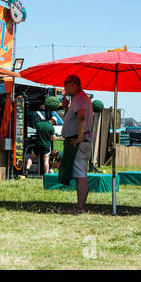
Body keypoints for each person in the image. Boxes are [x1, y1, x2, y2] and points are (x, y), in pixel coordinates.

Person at [58, 75, 94, 214]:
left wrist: (79, 138)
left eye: (66, 84)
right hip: (81, 140)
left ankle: (80, 207)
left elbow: (82, 116)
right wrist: (67, 107)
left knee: (80, 174)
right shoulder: (81, 99)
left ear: (73, 84)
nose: (65, 88)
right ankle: (80, 206)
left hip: (79, 141)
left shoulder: (79, 99)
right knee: (80, 173)